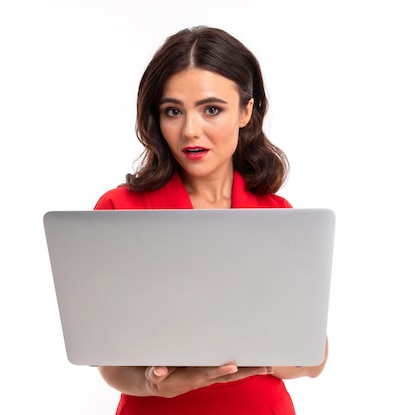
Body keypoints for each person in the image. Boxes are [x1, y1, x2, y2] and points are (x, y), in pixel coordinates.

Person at [94, 25, 328, 415]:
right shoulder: (120, 211)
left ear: (246, 111)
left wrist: (261, 359)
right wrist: (156, 383)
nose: (190, 130)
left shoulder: (278, 215)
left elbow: (313, 359)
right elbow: (110, 364)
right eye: (173, 111)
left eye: (212, 109)